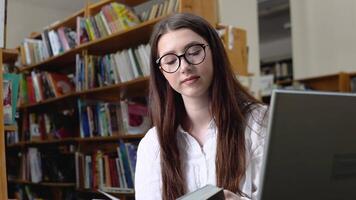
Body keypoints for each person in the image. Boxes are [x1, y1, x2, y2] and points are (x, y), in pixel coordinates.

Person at [135, 13, 268, 200]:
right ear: (162, 72)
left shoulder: (259, 122)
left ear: (214, 52)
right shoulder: (153, 144)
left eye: (194, 52)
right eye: (171, 60)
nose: (184, 67)